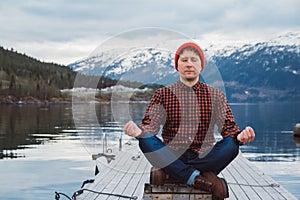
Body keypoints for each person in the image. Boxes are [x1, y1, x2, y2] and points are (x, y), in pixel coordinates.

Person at [124, 42, 255, 199]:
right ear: (177, 66)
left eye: (194, 60)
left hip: (204, 156)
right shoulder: (163, 94)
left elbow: (229, 128)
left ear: (201, 66)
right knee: (145, 139)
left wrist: (239, 137)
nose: (189, 64)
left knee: (232, 145)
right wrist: (139, 131)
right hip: (172, 154)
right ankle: (199, 177)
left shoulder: (216, 96)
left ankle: (172, 172)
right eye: (184, 60)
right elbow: (149, 126)